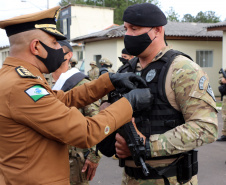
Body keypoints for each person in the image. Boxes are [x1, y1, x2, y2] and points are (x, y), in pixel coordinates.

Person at [0, 6, 153, 185]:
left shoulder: (12, 76)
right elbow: (85, 132)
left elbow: (63, 100)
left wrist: (109, 81)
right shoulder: (22, 86)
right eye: (54, 43)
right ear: (36, 47)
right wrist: (129, 103)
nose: (60, 49)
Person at [97, 3, 218, 185]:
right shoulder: (126, 70)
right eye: (126, 29)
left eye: (134, 29)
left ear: (157, 31)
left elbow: (206, 127)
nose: (127, 35)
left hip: (170, 179)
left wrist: (147, 145)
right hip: (130, 178)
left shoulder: (182, 69)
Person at [52, 40, 101, 184]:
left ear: (69, 56)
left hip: (73, 161)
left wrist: (94, 156)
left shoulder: (81, 83)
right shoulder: (43, 81)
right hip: (47, 158)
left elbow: (97, 121)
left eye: (58, 50)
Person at [217, 69, 226, 141]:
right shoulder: (225, 71)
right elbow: (220, 80)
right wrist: (222, 80)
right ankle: (225, 134)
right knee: (225, 116)